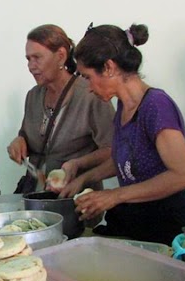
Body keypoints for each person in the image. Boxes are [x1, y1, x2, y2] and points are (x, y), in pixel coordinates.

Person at [72, 22, 185, 245]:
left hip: (165, 224)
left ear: (109, 67)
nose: (89, 87)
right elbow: (126, 158)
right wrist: (84, 178)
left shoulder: (156, 106)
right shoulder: (123, 106)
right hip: (135, 217)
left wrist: (115, 196)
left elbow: (184, 174)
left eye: (87, 77)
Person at [7, 24, 115, 227]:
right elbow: (26, 133)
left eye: (37, 57)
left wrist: (77, 164)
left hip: (75, 206)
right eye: (28, 59)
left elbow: (113, 149)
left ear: (61, 56)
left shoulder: (90, 94)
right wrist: (19, 141)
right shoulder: (33, 96)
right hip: (36, 202)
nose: (31, 66)